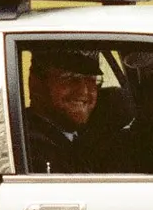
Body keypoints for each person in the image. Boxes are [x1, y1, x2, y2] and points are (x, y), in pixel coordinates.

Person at [23, 46, 107, 174]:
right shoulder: (29, 148)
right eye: (70, 78)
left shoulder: (87, 141)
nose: (84, 91)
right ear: (36, 83)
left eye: (91, 80)